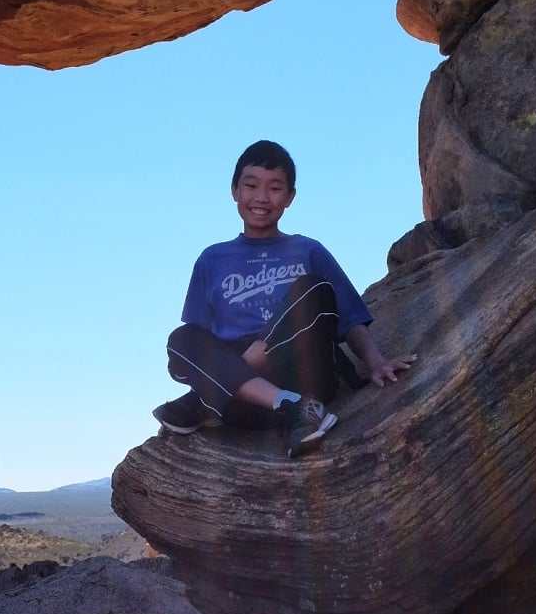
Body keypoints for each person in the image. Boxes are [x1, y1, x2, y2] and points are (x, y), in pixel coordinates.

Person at [153, 140, 416, 455]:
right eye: (251, 185)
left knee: (313, 289)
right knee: (181, 338)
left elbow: (348, 317)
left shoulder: (308, 250)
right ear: (234, 190)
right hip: (248, 402)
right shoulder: (212, 260)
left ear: (290, 197)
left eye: (275, 188)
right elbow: (199, 341)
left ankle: (204, 400)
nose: (262, 198)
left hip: (304, 372)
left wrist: (375, 362)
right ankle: (291, 406)